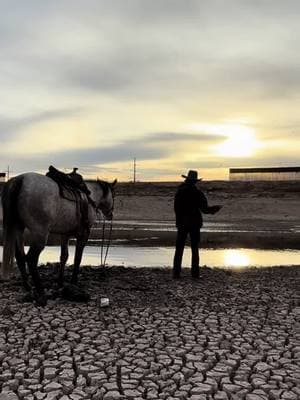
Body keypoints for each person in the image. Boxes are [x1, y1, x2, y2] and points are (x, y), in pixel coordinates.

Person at [173, 170, 222, 279]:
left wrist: (179, 221)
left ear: (186, 179)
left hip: (182, 223)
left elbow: (176, 209)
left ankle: (176, 273)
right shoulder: (197, 193)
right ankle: (195, 274)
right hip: (194, 223)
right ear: (195, 181)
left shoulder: (180, 191)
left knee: (179, 248)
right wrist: (215, 209)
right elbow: (204, 209)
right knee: (194, 248)